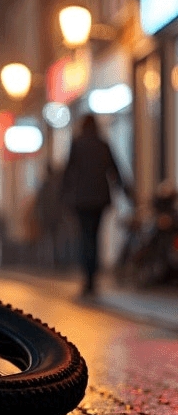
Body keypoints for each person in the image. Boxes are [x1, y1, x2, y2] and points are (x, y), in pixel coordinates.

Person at [62, 113, 132, 295]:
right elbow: (114, 170)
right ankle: (93, 278)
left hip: (81, 200)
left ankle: (88, 279)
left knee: (85, 238)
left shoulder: (77, 144)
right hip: (99, 200)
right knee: (95, 237)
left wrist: (64, 197)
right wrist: (126, 191)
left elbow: (68, 172)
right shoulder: (103, 144)